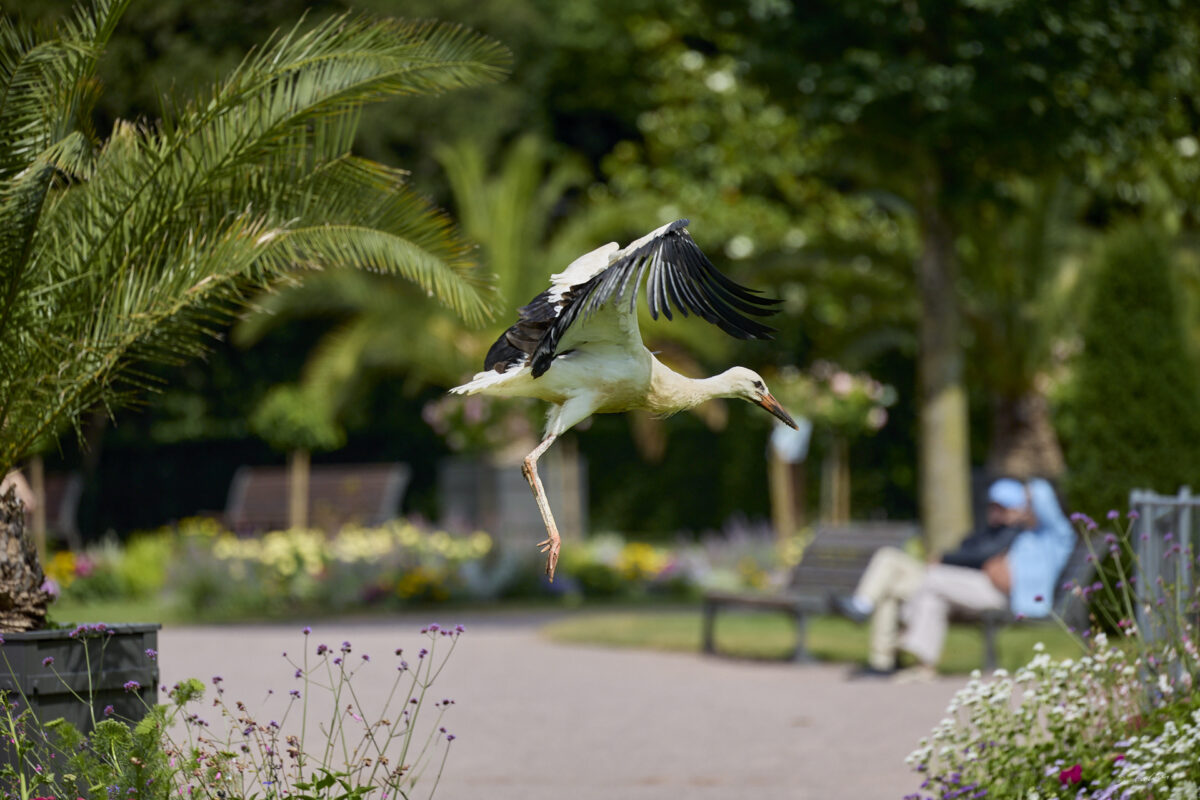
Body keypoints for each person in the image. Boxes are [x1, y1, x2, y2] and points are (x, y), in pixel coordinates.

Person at [834, 478, 1072, 679]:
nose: (1025, 508)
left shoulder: (1054, 535)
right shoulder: (1025, 535)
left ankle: (900, 635)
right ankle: (915, 666)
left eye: (1028, 504)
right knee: (916, 593)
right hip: (981, 586)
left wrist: (1028, 498)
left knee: (932, 579)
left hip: (1007, 596)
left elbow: (987, 558)